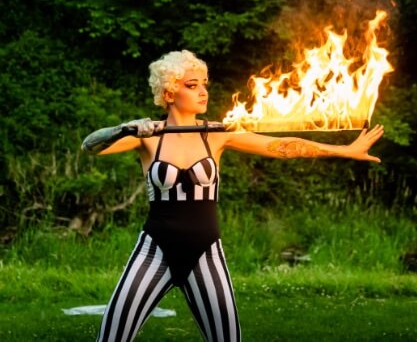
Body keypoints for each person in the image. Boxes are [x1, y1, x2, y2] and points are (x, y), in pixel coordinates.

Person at [82, 49, 384, 342]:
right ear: (170, 93)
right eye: (192, 85)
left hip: (205, 253)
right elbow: (90, 146)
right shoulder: (148, 137)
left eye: (204, 84)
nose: (203, 92)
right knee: (112, 337)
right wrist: (125, 129)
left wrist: (343, 150)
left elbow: (281, 147)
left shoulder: (218, 132)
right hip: (154, 252)